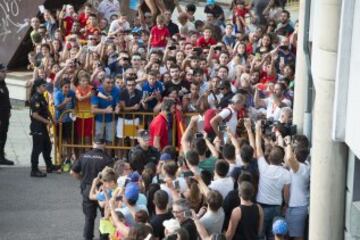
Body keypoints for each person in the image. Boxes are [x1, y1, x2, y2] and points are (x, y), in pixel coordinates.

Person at [70, 135, 114, 240]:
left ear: (93, 143)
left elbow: (72, 172)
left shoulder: (83, 156)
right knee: (105, 216)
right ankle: (104, 237)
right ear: (104, 144)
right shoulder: (107, 159)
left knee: (89, 218)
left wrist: (82, 178)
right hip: (103, 190)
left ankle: (88, 238)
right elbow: (111, 176)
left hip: (87, 188)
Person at [29, 78, 60, 177]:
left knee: (47, 145)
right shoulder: (35, 98)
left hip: (42, 126)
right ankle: (34, 170)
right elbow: (35, 115)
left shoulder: (42, 96)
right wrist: (47, 121)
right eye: (43, 86)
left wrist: (52, 119)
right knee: (37, 148)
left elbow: (46, 109)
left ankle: (49, 166)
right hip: (37, 126)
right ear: (38, 87)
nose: (45, 87)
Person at [0, 64, 14, 165]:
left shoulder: (3, 83)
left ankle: (1, 157)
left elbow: (6, 99)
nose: (5, 74)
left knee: (3, 136)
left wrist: (9, 110)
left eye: (6, 71)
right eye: (3, 71)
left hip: (4, 116)